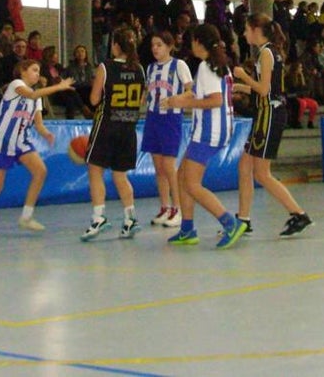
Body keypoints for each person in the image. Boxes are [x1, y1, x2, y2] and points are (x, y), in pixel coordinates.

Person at [159, 24, 245, 249]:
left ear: (199, 42)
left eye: (192, 41)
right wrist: (179, 100)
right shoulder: (219, 66)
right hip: (211, 129)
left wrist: (186, 103)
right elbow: (202, 94)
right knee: (180, 176)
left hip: (209, 132)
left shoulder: (208, 67)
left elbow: (214, 100)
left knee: (191, 183)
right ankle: (187, 229)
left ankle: (230, 223)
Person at [0, 59, 75, 234]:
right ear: (22, 71)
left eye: (39, 70)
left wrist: (46, 134)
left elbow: (38, 124)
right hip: (3, 140)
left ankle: (26, 216)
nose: (37, 74)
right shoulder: (16, 85)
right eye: (34, 70)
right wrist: (58, 87)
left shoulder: (37, 97)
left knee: (40, 171)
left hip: (20, 141)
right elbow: (32, 95)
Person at [232, 14, 313, 237]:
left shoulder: (267, 53)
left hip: (270, 115)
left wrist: (244, 77)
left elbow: (265, 90)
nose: (244, 34)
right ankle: (244, 218)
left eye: (246, 29)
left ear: (256, 29)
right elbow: (269, 90)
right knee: (244, 166)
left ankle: (298, 213)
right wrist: (241, 87)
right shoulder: (267, 52)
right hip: (265, 112)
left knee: (262, 173)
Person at [80, 27, 145, 242]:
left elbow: (93, 99)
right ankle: (130, 218)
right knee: (120, 175)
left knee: (95, 170)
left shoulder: (105, 67)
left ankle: (98, 217)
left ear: (115, 45)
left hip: (107, 126)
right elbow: (142, 102)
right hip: (128, 128)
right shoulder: (140, 69)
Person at [143, 31, 193, 228]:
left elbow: (191, 90)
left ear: (169, 46)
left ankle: (177, 208)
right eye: (153, 45)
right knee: (158, 167)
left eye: (159, 45)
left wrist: (176, 100)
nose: (155, 48)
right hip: (152, 117)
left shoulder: (179, 65)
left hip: (171, 119)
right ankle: (164, 206)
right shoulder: (150, 68)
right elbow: (148, 92)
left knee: (169, 166)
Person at [59, 44, 95, 119]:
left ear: (85, 54)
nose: (80, 54)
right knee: (72, 92)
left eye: (82, 51)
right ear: (75, 55)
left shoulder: (89, 67)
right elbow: (63, 77)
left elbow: (92, 78)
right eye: (78, 52)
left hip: (86, 88)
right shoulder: (71, 67)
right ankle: (85, 110)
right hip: (76, 88)